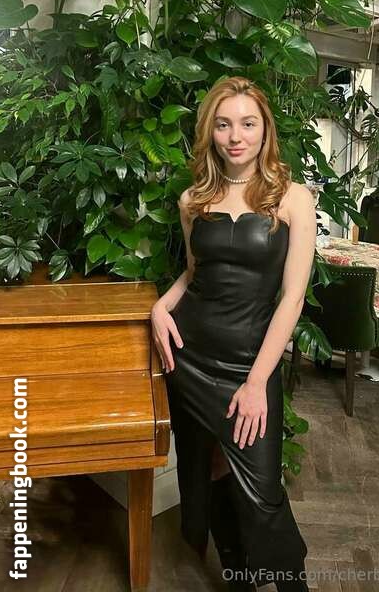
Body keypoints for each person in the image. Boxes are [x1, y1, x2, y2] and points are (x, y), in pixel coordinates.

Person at [151, 76, 317, 591]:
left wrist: (256, 382)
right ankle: (238, 577)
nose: (235, 136)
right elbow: (195, 272)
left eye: (248, 123)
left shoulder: (294, 198)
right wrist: (162, 305)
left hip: (250, 363)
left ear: (265, 129)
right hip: (190, 357)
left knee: (263, 493)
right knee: (212, 472)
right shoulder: (192, 199)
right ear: (210, 131)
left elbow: (292, 299)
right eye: (223, 125)